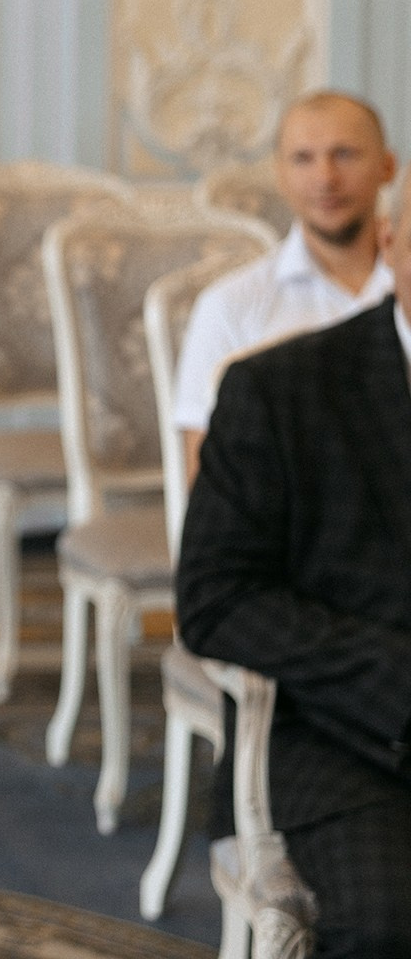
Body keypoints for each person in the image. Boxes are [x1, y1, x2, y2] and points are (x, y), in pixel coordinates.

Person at [178, 183, 411, 959]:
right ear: (391, 243)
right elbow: (215, 598)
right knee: (389, 925)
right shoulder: (280, 390)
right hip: (342, 733)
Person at [172, 92, 396, 479]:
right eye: (303, 159)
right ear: (280, 174)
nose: (326, 178)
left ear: (387, 166)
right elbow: (208, 482)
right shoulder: (230, 306)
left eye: (345, 154)